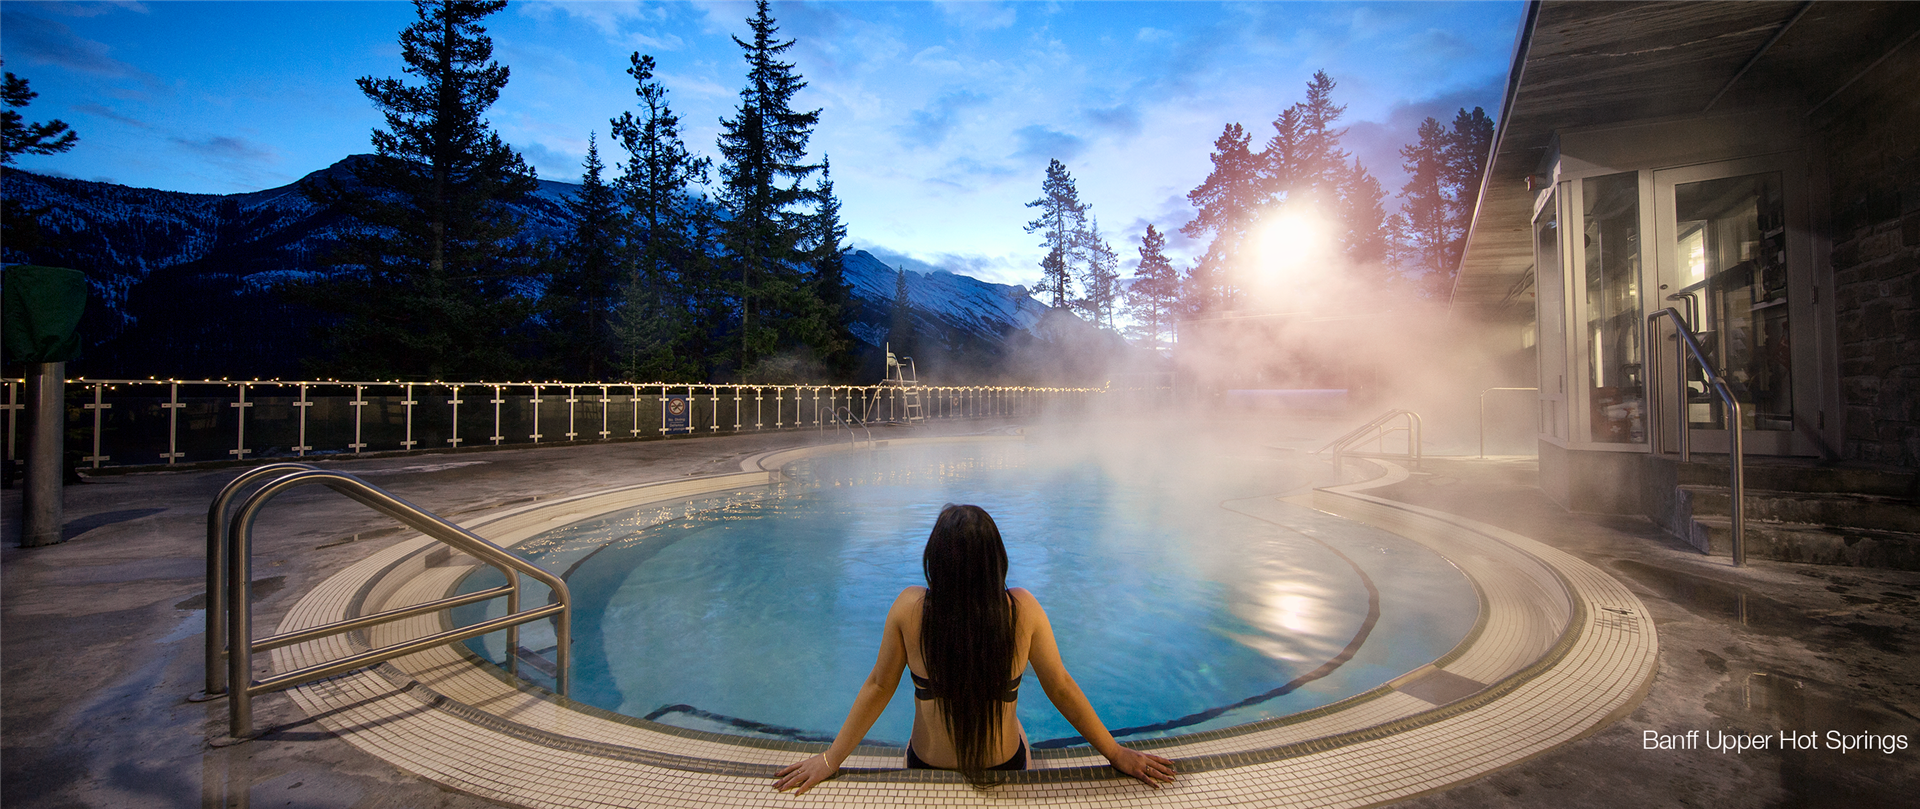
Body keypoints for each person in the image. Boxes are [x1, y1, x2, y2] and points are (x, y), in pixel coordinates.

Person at [774, 504, 1176, 794]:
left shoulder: (909, 609)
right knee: (1018, 726)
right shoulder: (1023, 610)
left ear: (936, 560)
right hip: (1004, 765)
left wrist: (830, 760)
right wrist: (1115, 752)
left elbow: (879, 687)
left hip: (925, 764)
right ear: (995, 560)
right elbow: (1062, 688)